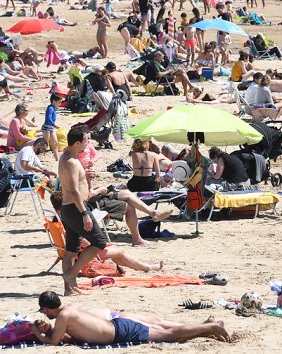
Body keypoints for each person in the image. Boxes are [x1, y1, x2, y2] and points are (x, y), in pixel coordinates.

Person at [32, 291, 230, 345]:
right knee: (166, 331)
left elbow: (53, 343)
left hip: (119, 332)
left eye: (43, 311)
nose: (44, 315)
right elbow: (75, 336)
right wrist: (49, 328)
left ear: (47, 308)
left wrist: (36, 332)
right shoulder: (70, 308)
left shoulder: (63, 317)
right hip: (117, 326)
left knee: (170, 335)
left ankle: (212, 328)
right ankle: (207, 327)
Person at [58, 125, 107, 296]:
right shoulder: (71, 161)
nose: (88, 143)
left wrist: (86, 176)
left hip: (69, 208)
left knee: (71, 250)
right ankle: (71, 275)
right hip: (76, 208)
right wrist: (85, 213)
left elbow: (75, 184)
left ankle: (68, 289)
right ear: (77, 142)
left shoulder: (68, 157)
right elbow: (73, 190)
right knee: (99, 242)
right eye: (86, 140)